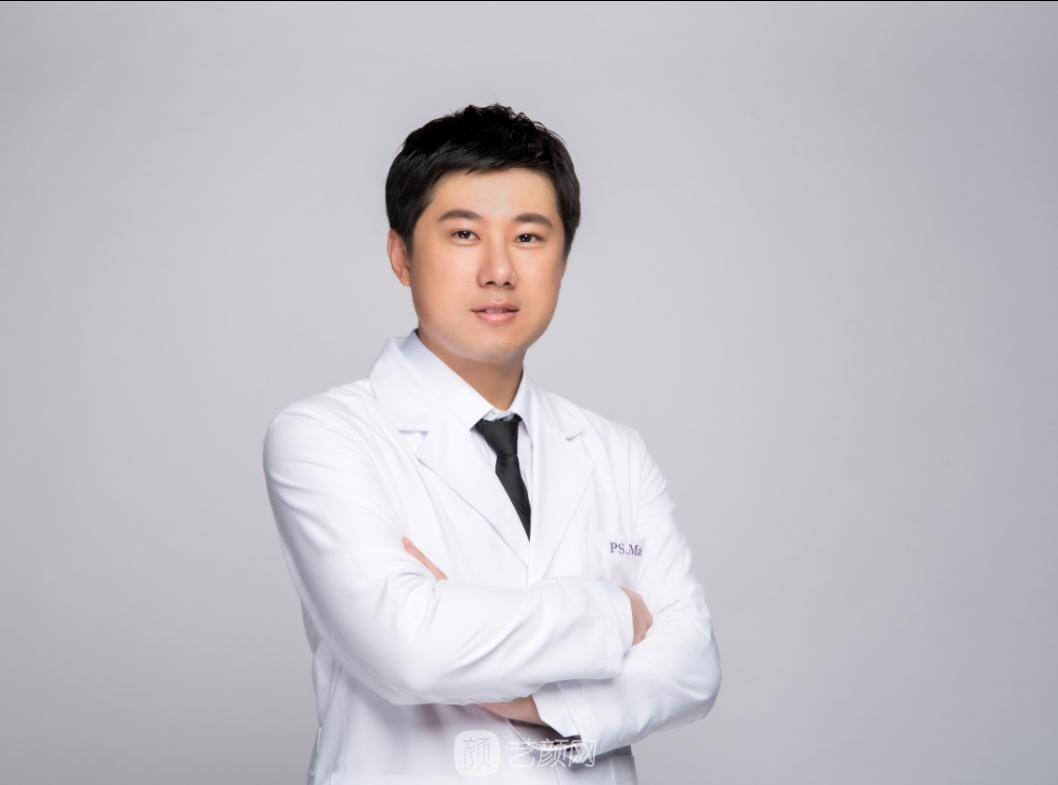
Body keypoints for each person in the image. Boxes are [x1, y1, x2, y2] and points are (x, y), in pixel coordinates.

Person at [262, 103, 721, 784]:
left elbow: (692, 664)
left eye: (529, 237)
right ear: (401, 255)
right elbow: (410, 649)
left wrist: (539, 703)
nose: (499, 270)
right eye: (464, 234)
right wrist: (617, 614)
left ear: (563, 259)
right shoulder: (324, 436)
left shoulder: (615, 451)